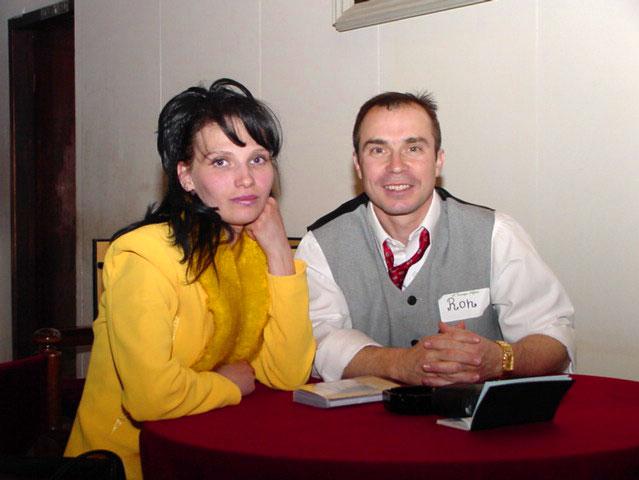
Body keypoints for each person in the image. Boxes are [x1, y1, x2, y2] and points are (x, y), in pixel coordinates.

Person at [65, 78, 315, 479]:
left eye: (258, 159)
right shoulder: (143, 255)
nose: (246, 179)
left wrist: (280, 255)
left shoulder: (252, 252)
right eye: (221, 162)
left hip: (217, 452)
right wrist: (227, 384)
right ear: (186, 176)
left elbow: (287, 375)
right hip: (126, 464)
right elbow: (149, 398)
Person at [295, 90, 575, 387]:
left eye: (413, 148)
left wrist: (500, 359)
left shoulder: (496, 234)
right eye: (378, 150)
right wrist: (400, 364)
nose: (396, 166)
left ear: (438, 161)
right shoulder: (320, 246)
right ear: (358, 164)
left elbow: (554, 338)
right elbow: (318, 341)